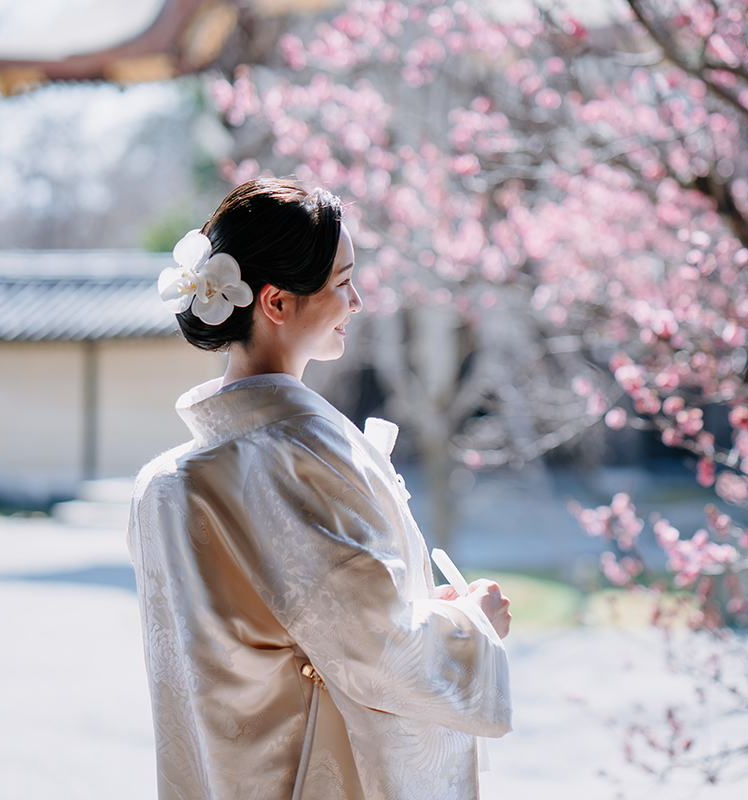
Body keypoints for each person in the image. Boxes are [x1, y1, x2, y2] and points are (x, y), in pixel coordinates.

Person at [127, 178, 513, 800]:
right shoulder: (299, 456)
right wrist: (471, 624)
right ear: (276, 303)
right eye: (342, 281)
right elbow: (375, 653)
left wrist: (427, 611)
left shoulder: (165, 484)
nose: (357, 301)